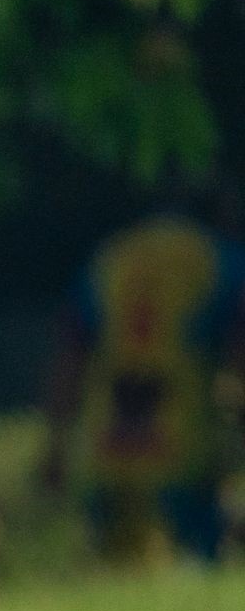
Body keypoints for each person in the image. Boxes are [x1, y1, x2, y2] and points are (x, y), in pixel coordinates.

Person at [44, 212, 245, 563]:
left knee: (111, 572)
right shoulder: (221, 260)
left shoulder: (110, 258)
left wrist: (56, 445)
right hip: (182, 446)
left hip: (108, 445)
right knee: (192, 566)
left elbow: (70, 356)